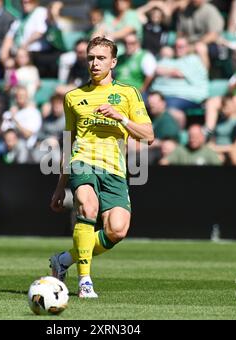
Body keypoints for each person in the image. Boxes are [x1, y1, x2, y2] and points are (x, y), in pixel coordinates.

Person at [49, 37, 154, 298]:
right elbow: (68, 141)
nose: (95, 63)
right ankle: (85, 282)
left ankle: (64, 260)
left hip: (115, 169)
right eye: (91, 58)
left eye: (101, 58)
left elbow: (148, 135)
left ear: (113, 62)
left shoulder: (129, 93)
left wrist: (122, 118)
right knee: (88, 207)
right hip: (82, 161)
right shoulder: (73, 97)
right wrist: (60, 186)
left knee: (117, 230)